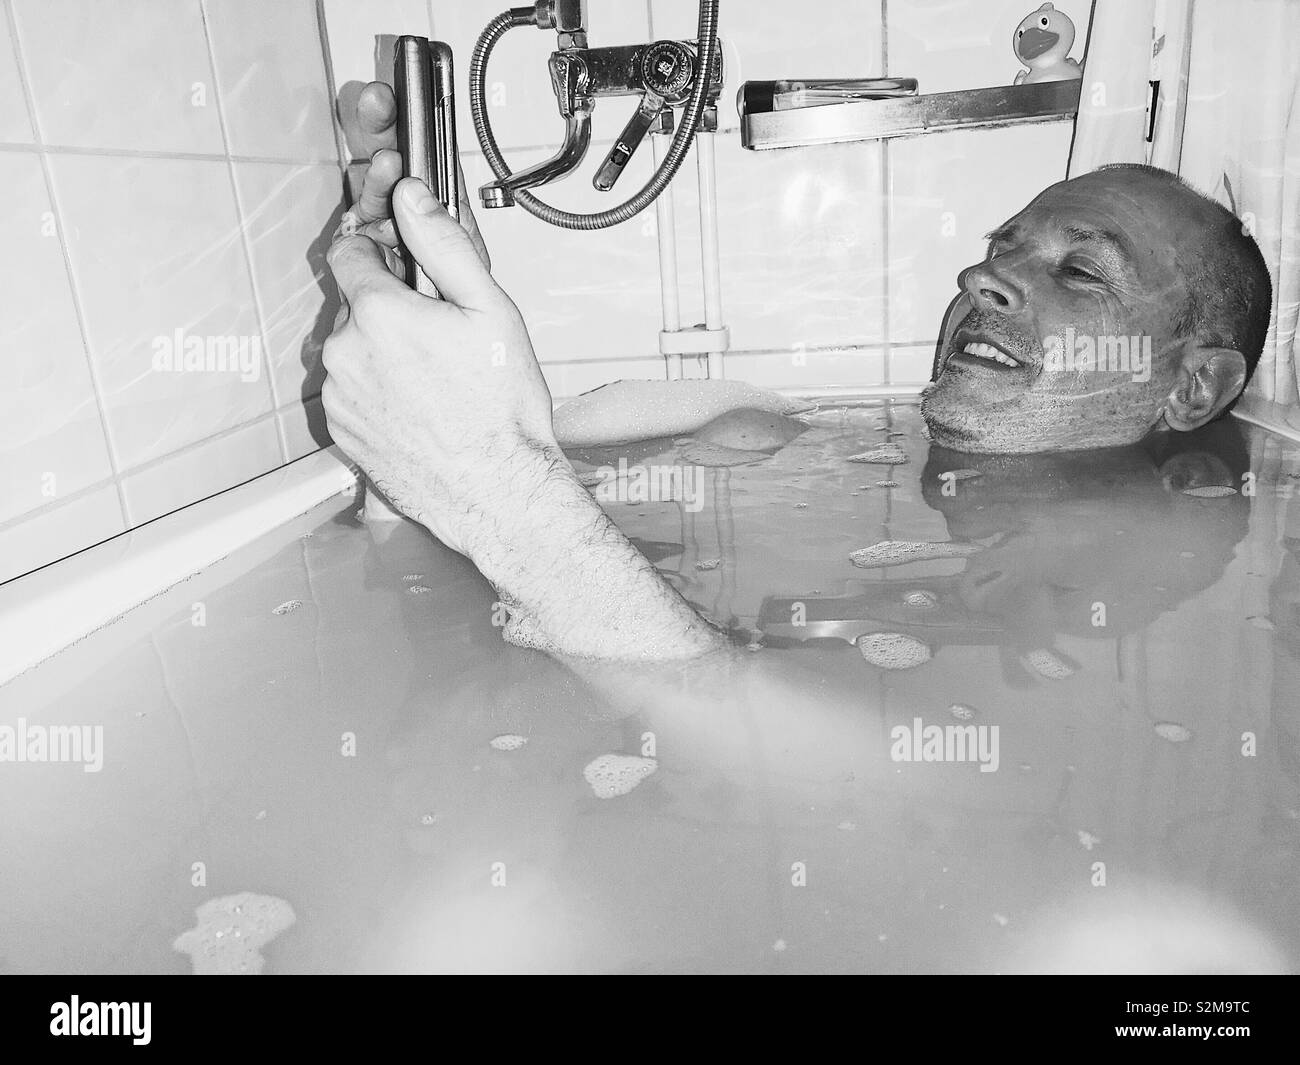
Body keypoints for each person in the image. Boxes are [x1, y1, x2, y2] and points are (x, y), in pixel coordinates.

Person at [322, 83, 1270, 661]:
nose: (983, 278)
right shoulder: (750, 431)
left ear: (1195, 388)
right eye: (1000, 251)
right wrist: (420, 436)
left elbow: (799, 776)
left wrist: (498, 488)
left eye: (1079, 272)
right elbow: (437, 550)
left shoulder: (1190, 602)